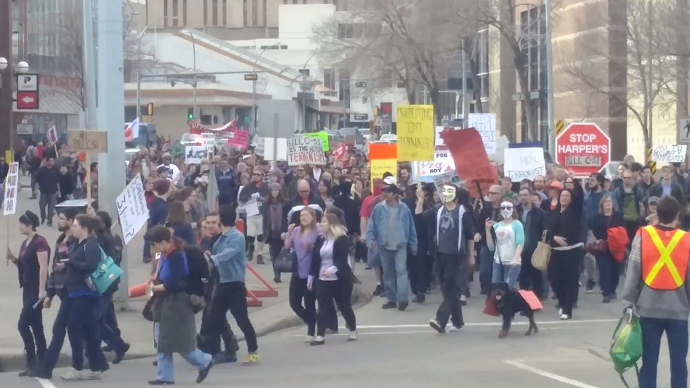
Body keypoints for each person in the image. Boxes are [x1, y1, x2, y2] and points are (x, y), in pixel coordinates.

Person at [622, 196, 690, 388]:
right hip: (678, 310)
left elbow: (633, 272)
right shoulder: (686, 239)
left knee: (649, 362)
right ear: (678, 216)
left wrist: (628, 303)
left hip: (647, 309)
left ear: (656, 214)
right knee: (679, 363)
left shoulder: (642, 235)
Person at [147, 226, 214, 385]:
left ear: (163, 242)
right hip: (166, 302)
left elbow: (175, 283)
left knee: (181, 343)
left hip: (177, 303)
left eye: (154, 243)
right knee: (163, 341)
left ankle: (204, 361)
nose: (153, 247)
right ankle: (164, 376)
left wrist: (155, 288)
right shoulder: (165, 254)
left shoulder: (177, 256)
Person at [206, 205, 260, 364]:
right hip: (221, 283)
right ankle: (224, 350)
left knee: (242, 319)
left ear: (221, 220)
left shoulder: (237, 237)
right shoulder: (221, 237)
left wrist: (213, 259)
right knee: (214, 317)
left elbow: (227, 254)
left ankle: (253, 351)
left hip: (235, 284)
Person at [59, 215, 108, 381]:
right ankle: (95, 367)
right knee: (88, 331)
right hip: (75, 292)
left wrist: (71, 263)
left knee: (73, 327)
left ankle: (78, 366)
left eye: (75, 226)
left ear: (84, 228)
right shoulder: (78, 243)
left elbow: (91, 266)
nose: (73, 228)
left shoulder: (91, 244)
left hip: (86, 293)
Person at [36, 208, 78, 379]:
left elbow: (77, 264)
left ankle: (46, 368)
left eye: (62, 218)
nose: (59, 221)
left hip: (73, 291)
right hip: (62, 291)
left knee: (59, 328)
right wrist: (49, 295)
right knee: (79, 330)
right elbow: (54, 270)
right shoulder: (60, 240)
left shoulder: (77, 242)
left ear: (70, 221)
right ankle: (94, 363)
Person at [426, 185, 475, 333]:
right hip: (441, 255)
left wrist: (471, 256)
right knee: (448, 289)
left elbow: (470, 235)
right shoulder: (438, 210)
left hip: (457, 255)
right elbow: (420, 216)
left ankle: (440, 320)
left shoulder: (462, 212)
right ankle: (458, 321)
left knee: (450, 288)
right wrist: (421, 198)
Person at [6, 211, 49, 377]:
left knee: (23, 324)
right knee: (36, 325)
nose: (19, 226)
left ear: (29, 225)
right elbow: (25, 266)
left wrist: (43, 290)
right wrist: (13, 259)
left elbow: (43, 268)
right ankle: (41, 361)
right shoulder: (25, 243)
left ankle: (33, 361)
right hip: (27, 289)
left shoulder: (40, 243)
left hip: (36, 290)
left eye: (21, 223)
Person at [365, 182, 418, 311]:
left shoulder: (404, 208)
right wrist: (369, 238)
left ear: (395, 194)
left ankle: (402, 299)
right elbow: (371, 224)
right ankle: (391, 299)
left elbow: (411, 227)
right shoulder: (378, 208)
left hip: (400, 244)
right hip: (384, 244)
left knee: (401, 271)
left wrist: (413, 244)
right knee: (388, 273)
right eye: (384, 191)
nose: (384, 194)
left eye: (387, 192)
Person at [308, 213, 357, 345]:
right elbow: (315, 259)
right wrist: (311, 276)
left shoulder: (341, 239)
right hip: (322, 278)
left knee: (344, 305)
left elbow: (342, 258)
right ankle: (320, 335)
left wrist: (333, 269)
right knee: (323, 306)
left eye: (323, 222)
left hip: (340, 278)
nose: (320, 224)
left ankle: (352, 329)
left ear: (331, 224)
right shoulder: (320, 239)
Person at [197, 213, 239, 365]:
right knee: (214, 316)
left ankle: (223, 349)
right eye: (207, 223)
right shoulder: (206, 241)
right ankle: (226, 346)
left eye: (213, 222)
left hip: (223, 282)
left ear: (220, 224)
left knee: (214, 316)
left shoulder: (225, 241)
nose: (209, 225)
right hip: (209, 283)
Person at [546, 173, 584, 320]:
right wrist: (553, 237)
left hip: (571, 251)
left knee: (570, 281)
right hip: (555, 251)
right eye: (562, 196)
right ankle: (562, 303)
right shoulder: (553, 212)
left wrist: (574, 180)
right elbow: (546, 229)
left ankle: (567, 309)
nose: (564, 198)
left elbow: (579, 196)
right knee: (555, 279)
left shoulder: (575, 211)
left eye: (568, 196)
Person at [94, 211, 129, 363]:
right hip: (104, 281)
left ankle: (118, 344)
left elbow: (113, 259)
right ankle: (114, 340)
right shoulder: (102, 238)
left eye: (97, 221)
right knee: (107, 314)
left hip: (106, 281)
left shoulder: (110, 239)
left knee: (96, 318)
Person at [285, 207, 321, 342]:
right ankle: (313, 320)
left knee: (309, 302)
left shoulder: (317, 231)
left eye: (306, 215)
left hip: (311, 272)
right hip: (297, 271)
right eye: (301, 216)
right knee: (294, 302)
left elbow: (321, 249)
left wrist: (311, 247)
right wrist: (288, 233)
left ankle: (311, 331)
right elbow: (288, 247)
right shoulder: (296, 230)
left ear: (312, 217)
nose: (303, 218)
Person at [591, 195, 624, 303]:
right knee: (604, 269)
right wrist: (606, 236)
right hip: (603, 247)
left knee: (615, 270)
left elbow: (622, 230)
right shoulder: (597, 217)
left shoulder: (618, 216)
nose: (608, 203)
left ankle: (612, 289)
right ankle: (605, 292)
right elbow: (595, 231)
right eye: (606, 201)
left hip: (616, 247)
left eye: (610, 201)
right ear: (602, 204)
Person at [517, 187, 548, 299]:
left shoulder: (540, 213)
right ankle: (525, 301)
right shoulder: (516, 211)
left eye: (525, 194)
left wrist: (542, 246)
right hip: (519, 249)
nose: (523, 197)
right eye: (521, 195)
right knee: (523, 277)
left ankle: (536, 300)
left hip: (534, 249)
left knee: (536, 277)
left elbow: (544, 230)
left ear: (530, 196)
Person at [486, 200, 524, 289]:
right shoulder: (497, 226)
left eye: (508, 207)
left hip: (512, 262)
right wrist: (487, 230)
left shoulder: (517, 224)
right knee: (495, 288)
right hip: (498, 261)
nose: (506, 210)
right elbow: (491, 247)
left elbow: (520, 242)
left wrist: (515, 258)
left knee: (508, 288)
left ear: (513, 209)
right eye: (503, 208)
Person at [476, 185, 504, 295]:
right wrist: (478, 232)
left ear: (500, 195)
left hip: (502, 244)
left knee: (498, 269)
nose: (490, 195)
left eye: (493, 193)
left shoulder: (505, 208)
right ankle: (486, 287)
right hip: (486, 243)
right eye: (489, 193)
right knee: (484, 270)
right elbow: (478, 224)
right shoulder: (485, 208)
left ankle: (497, 289)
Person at [239, 167, 268, 264]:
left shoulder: (265, 187)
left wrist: (263, 199)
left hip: (261, 213)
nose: (255, 176)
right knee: (250, 234)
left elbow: (269, 197)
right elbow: (241, 197)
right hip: (251, 213)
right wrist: (248, 198)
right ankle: (250, 248)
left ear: (262, 176)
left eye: (258, 175)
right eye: (254, 174)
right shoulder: (248, 187)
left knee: (261, 235)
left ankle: (259, 254)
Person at [614, 168, 646, 244]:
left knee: (635, 242)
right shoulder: (617, 191)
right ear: (622, 178)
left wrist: (641, 218)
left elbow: (641, 205)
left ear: (632, 179)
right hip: (623, 221)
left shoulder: (638, 190)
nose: (627, 180)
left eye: (629, 178)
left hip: (635, 220)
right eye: (625, 178)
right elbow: (616, 206)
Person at [263, 182, 286, 283]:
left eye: (276, 190)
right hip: (271, 233)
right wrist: (264, 233)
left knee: (281, 253)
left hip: (282, 232)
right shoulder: (266, 203)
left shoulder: (284, 203)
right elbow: (264, 219)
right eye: (273, 190)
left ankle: (280, 270)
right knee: (274, 254)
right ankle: (277, 273)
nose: (274, 192)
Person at [35, 157, 59, 226]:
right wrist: (36, 190)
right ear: (47, 162)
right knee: (42, 205)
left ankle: (50, 220)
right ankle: (43, 217)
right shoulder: (42, 170)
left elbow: (57, 182)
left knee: (51, 208)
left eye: (53, 160)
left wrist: (58, 191)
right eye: (51, 160)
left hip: (53, 191)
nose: (52, 162)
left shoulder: (55, 170)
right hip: (44, 191)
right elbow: (37, 180)